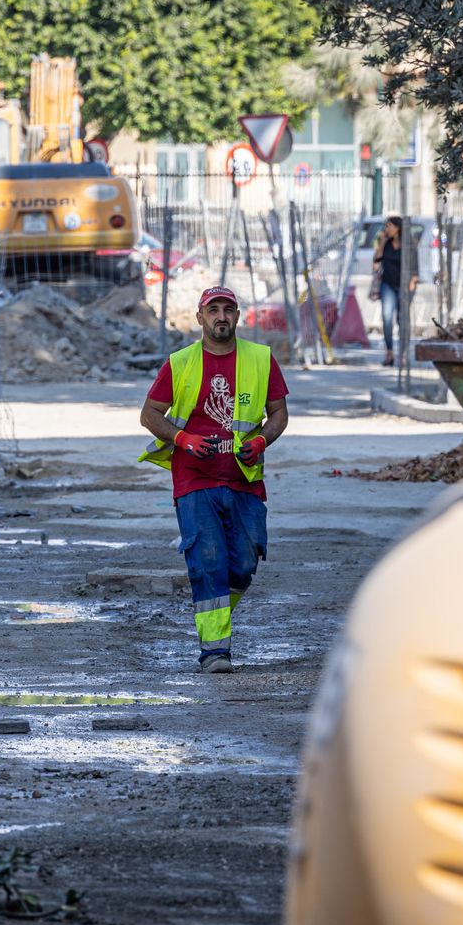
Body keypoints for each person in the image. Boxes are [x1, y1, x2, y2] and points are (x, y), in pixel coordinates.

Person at [139, 286, 290, 674]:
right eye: (213, 310)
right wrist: (183, 439)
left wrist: (261, 441)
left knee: (243, 564)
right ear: (200, 318)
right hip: (194, 479)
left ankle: (213, 611)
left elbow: (278, 414)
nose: (221, 316)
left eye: (228, 310)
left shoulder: (260, 359)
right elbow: (149, 414)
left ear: (237, 316)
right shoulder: (180, 363)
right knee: (207, 560)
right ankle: (215, 652)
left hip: (244, 479)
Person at [368, 215, 416, 367]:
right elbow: (376, 261)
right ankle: (389, 353)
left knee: (402, 319)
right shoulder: (386, 243)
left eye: (389, 226)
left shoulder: (409, 244)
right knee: (387, 318)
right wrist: (382, 242)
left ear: (398, 228)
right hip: (387, 284)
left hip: (404, 285)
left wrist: (412, 282)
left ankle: (403, 354)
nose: (386, 229)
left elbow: (415, 266)